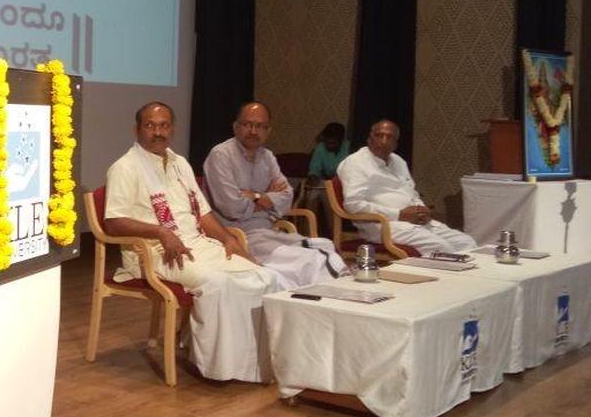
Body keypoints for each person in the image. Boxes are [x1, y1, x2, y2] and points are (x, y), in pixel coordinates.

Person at [104, 102, 280, 382]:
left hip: (196, 244)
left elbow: (203, 213)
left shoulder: (180, 163)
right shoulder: (125, 167)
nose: (158, 132)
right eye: (150, 126)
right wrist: (161, 232)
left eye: (164, 126)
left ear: (172, 129)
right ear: (136, 130)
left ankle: (253, 365)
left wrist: (228, 240)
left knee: (265, 277)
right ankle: (216, 366)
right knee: (217, 283)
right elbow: (113, 222)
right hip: (155, 251)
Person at [204, 102, 346, 287]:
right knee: (311, 260)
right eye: (247, 124)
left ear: (268, 131)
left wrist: (255, 196)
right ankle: (330, 298)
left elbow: (287, 199)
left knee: (325, 246)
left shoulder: (267, 157)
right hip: (240, 237)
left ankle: (324, 297)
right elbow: (232, 208)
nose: (253, 131)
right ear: (235, 127)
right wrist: (269, 199)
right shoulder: (221, 155)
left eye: (260, 126)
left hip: (269, 231)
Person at [337, 119, 477, 254]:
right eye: (379, 135)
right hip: (382, 224)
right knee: (441, 247)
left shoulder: (398, 161)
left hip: (414, 222)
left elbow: (411, 193)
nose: (383, 141)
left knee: (466, 243)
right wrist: (399, 214)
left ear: (395, 143)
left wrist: (421, 210)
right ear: (369, 138)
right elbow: (353, 205)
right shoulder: (355, 163)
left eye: (389, 137)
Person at [300, 121, 349, 228]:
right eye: (327, 142)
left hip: (345, 185)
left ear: (341, 140)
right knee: (313, 194)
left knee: (328, 195)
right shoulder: (320, 148)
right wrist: (313, 177)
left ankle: (335, 233)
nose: (329, 145)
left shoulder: (349, 148)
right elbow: (314, 169)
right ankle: (307, 232)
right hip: (326, 184)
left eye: (333, 143)